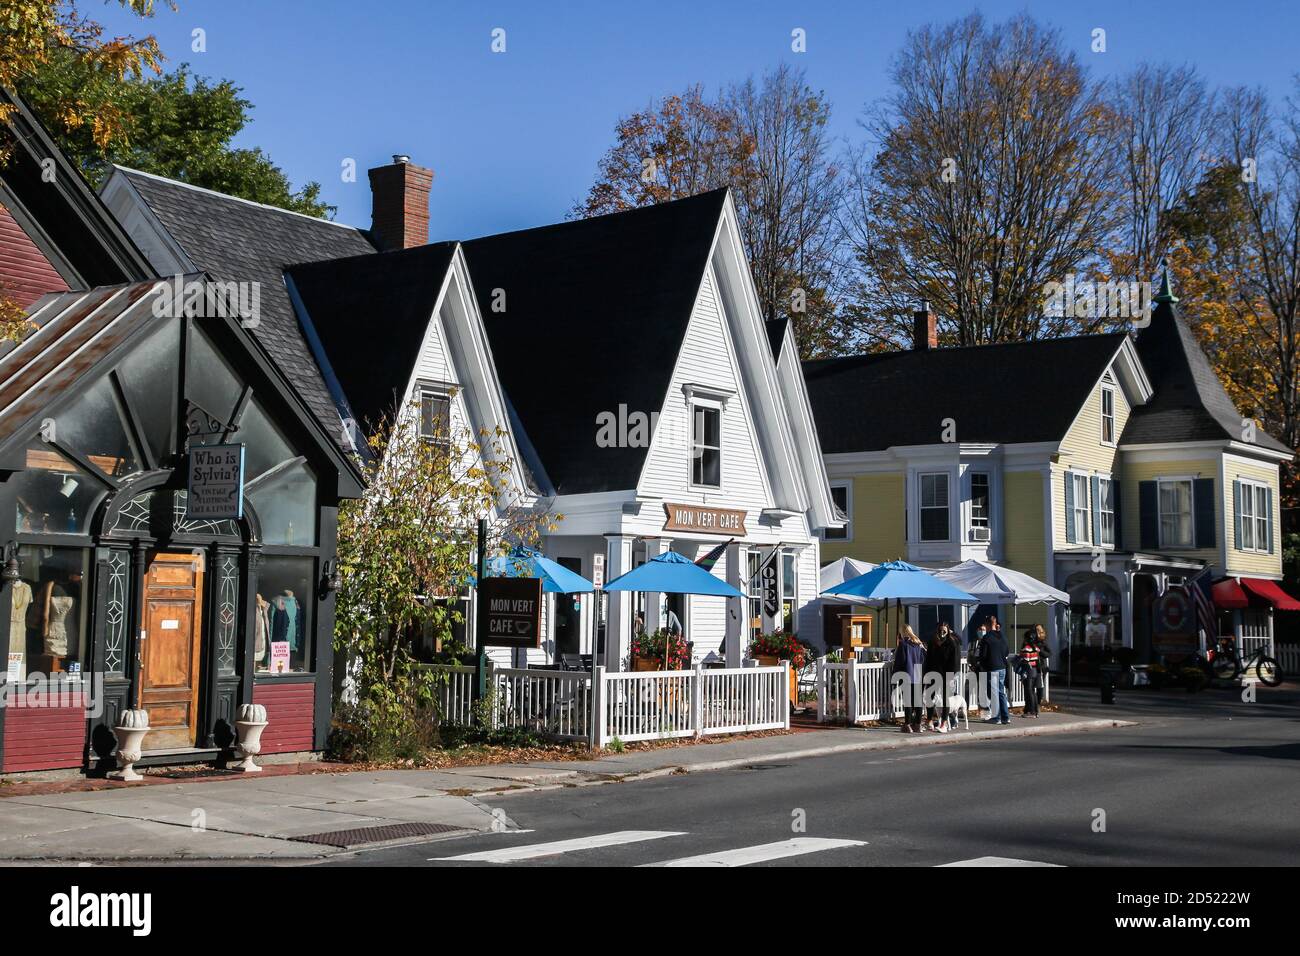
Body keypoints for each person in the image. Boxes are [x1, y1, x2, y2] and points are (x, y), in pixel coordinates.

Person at [925, 623, 961, 732]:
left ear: (948, 631)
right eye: (940, 631)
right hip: (933, 672)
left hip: (947, 673)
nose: (942, 633)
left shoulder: (952, 643)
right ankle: (929, 720)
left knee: (946, 698)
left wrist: (951, 675)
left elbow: (955, 661)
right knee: (929, 696)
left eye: (944, 631)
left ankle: (944, 723)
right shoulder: (932, 642)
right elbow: (928, 658)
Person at [891, 625, 926, 733]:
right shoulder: (918, 644)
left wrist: (894, 674)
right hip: (918, 674)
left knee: (908, 701)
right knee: (918, 701)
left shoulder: (903, 645)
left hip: (907, 675)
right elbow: (923, 659)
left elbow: (900, 661)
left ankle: (907, 724)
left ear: (903, 632)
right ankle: (918, 724)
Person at [979, 619, 1011, 724]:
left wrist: (982, 665)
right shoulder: (1003, 636)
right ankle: (1005, 717)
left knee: (994, 693)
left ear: (987, 625)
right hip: (1002, 666)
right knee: (1001, 692)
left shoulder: (986, 638)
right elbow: (1007, 651)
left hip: (992, 667)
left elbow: (983, 655)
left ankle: (996, 717)